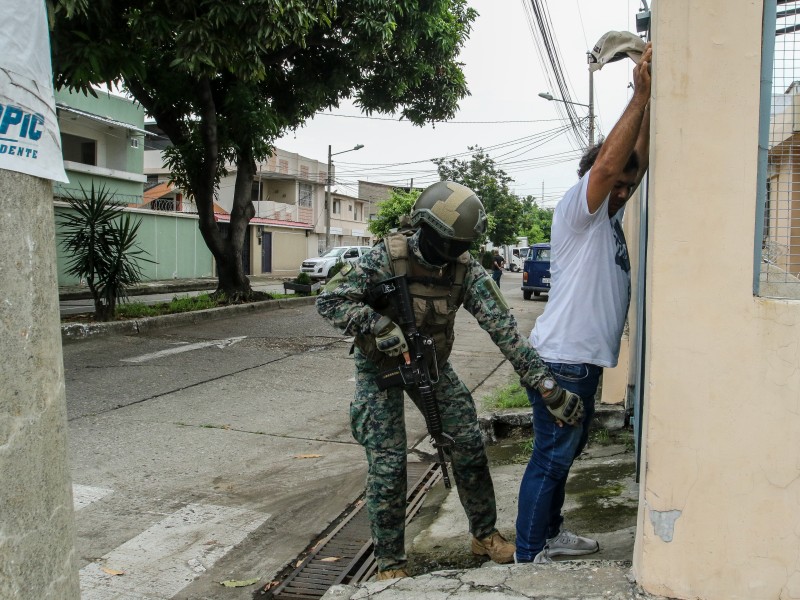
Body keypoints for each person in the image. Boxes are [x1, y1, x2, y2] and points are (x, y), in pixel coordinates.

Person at [316, 181, 582, 580]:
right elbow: (329, 299)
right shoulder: (384, 259)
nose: (453, 254)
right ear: (426, 228)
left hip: (431, 367)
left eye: (461, 245)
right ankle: (391, 562)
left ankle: (484, 534)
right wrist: (375, 323)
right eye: (449, 244)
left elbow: (504, 330)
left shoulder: (465, 269)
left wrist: (547, 388)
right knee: (388, 463)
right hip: (380, 369)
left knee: (469, 445)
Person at [514, 43, 653, 564]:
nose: (622, 193)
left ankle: (547, 535)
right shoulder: (580, 209)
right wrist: (637, 95)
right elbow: (611, 166)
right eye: (616, 185)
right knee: (550, 460)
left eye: (629, 187)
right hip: (563, 362)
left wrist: (650, 97)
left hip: (581, 362)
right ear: (596, 177)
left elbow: (632, 157)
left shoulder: (609, 218)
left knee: (562, 458)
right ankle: (530, 555)